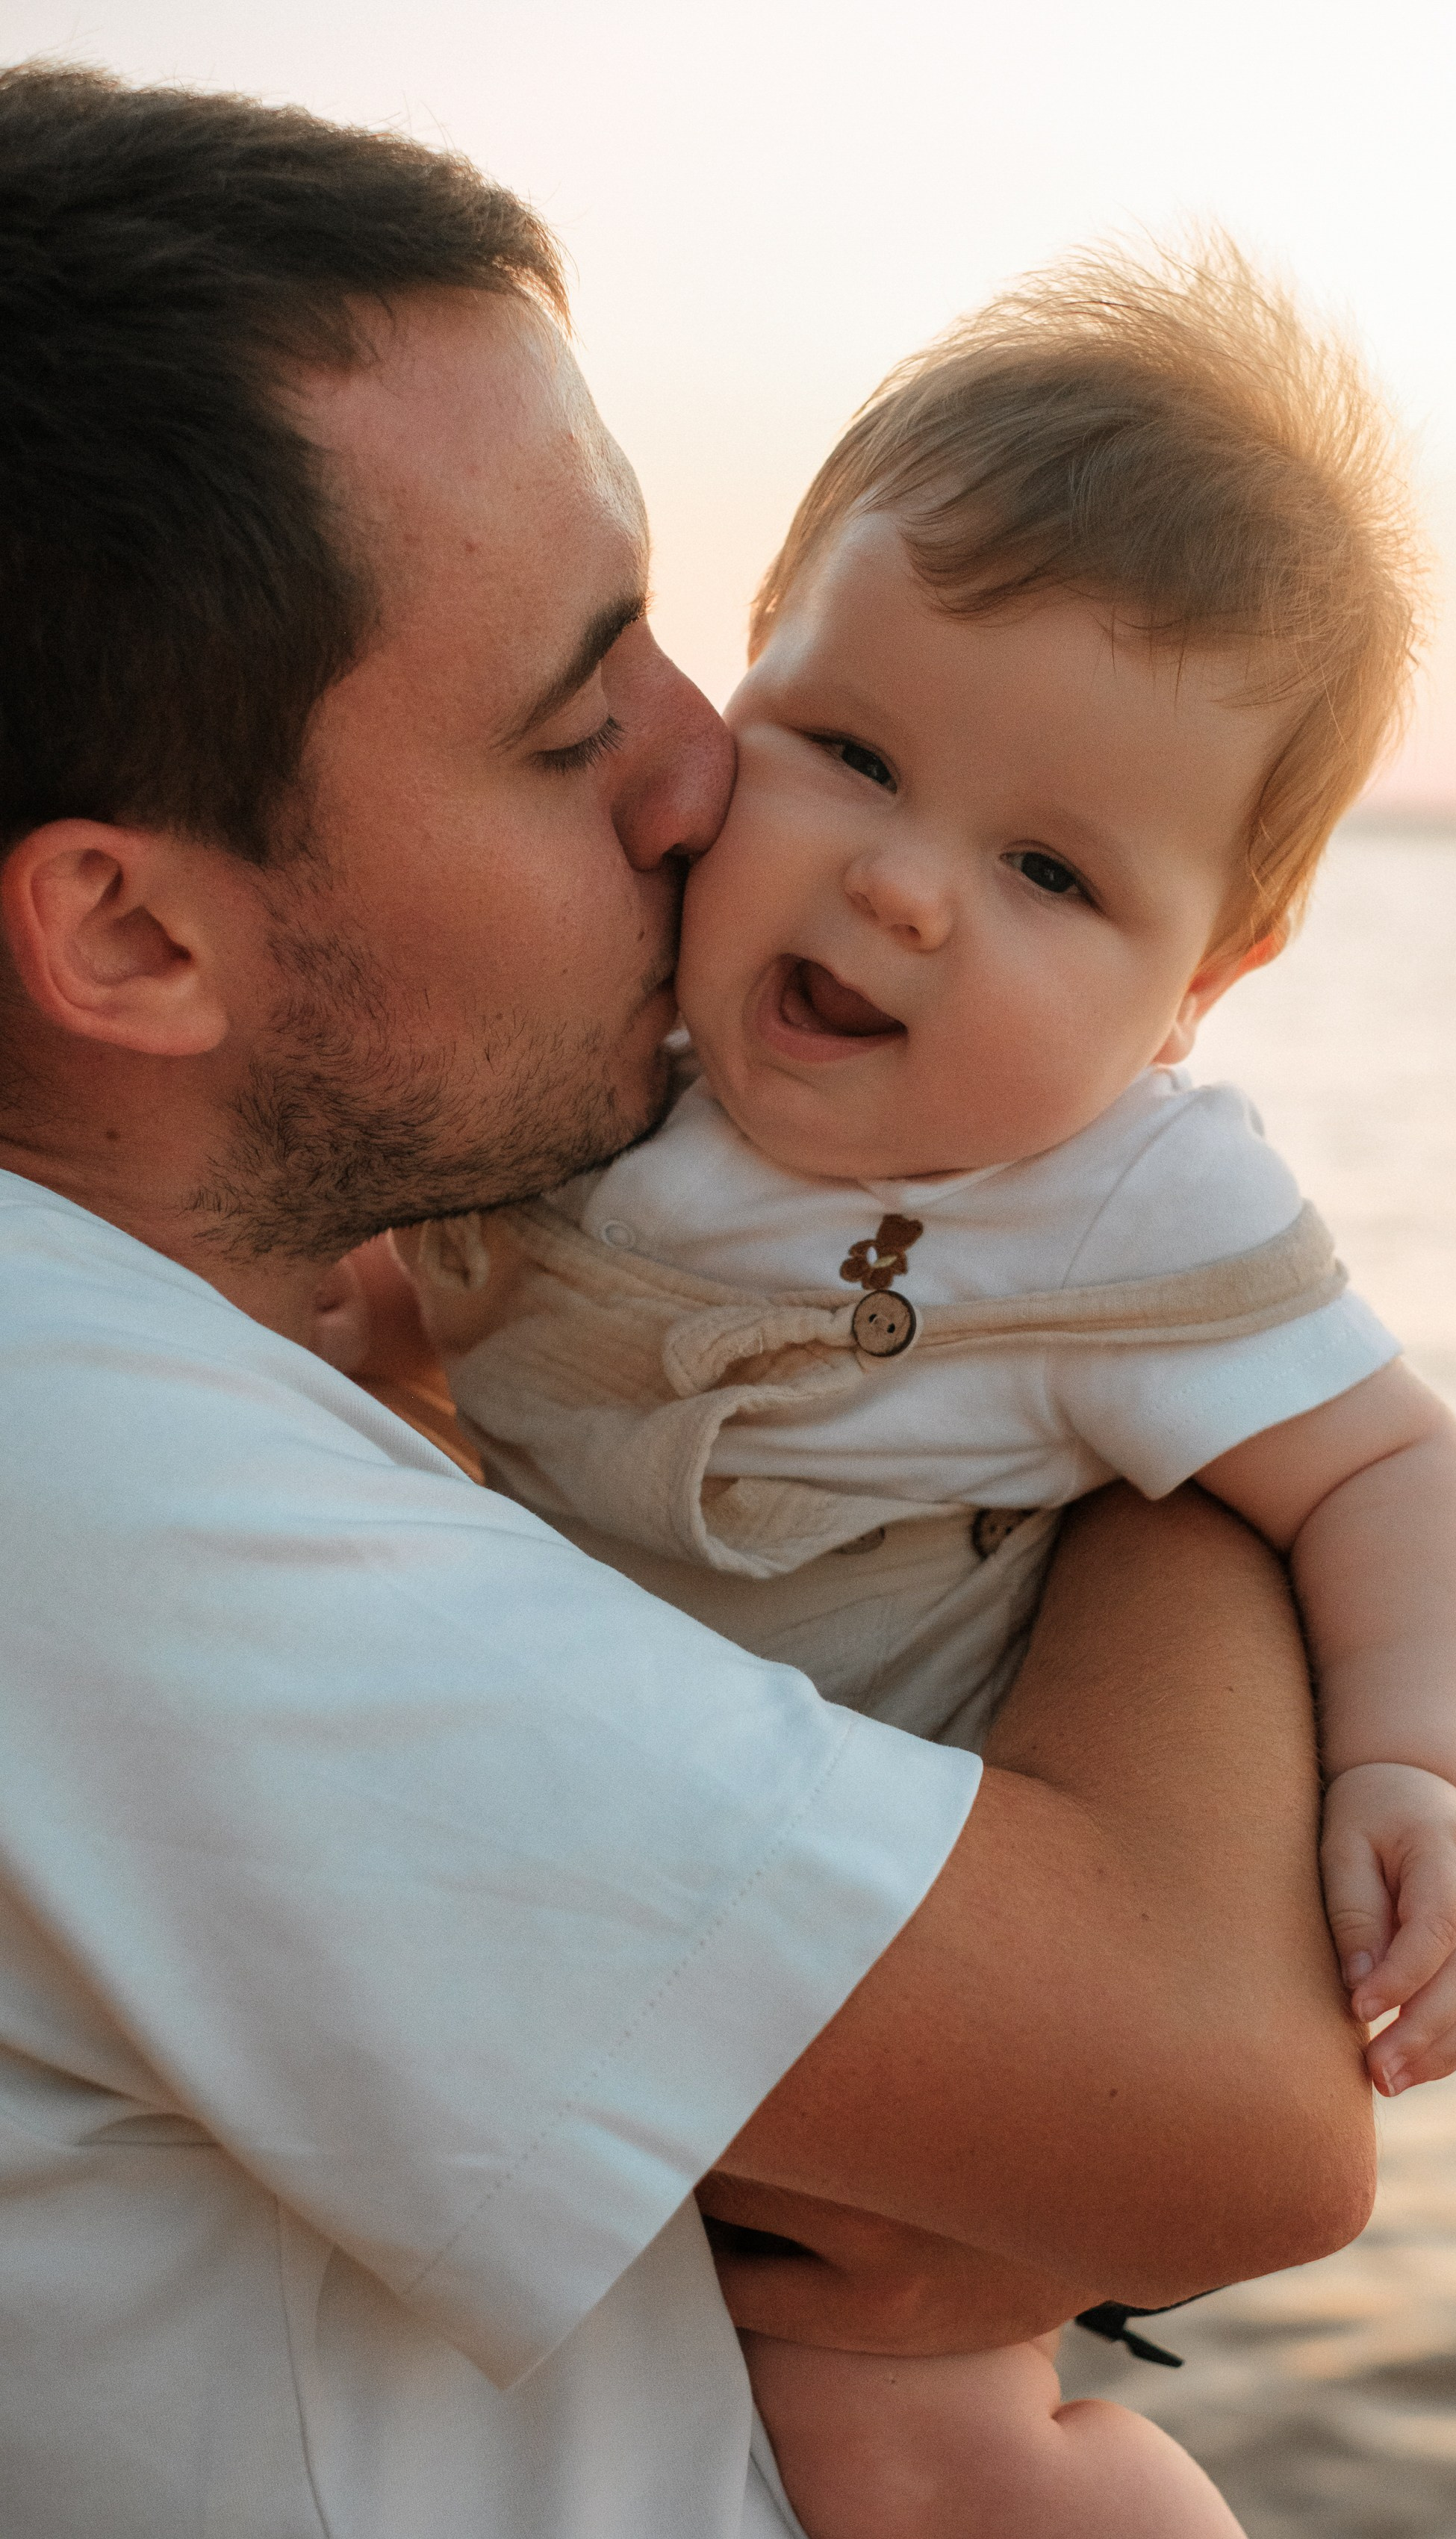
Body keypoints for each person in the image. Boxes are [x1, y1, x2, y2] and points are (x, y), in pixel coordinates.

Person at [0, 64, 1375, 2539]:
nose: (696, 772)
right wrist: (1160, 1416)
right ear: (130, 932)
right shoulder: (71, 1478)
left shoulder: (251, 1345)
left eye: (665, 638)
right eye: (568, 720)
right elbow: (1238, 2116)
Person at [397, 249, 1456, 2537]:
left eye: (1045, 870)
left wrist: (1416, 1764)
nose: (901, 888)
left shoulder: (1128, 1209)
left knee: (909, 2453)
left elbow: (1383, 1468)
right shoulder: (604, 1028)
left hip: (899, 1967)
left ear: (1203, 980)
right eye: (850, 752)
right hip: (579, 1929)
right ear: (745, 679)